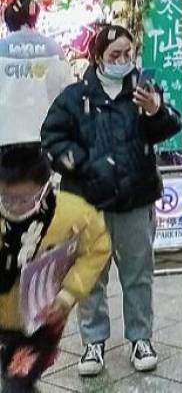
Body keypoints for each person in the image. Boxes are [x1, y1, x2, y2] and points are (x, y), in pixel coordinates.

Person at [40, 24, 182, 378]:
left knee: (138, 274)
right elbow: (52, 137)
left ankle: (140, 338)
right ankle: (93, 341)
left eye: (127, 54)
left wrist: (155, 110)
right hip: (89, 203)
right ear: (97, 57)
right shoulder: (75, 96)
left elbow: (170, 127)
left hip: (135, 199)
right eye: (114, 55)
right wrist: (84, 165)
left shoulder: (145, 91)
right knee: (90, 277)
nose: (122, 61)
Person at [0, 143, 110, 392]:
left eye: (25, 199)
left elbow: (98, 247)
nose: (15, 206)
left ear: (45, 187)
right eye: (7, 198)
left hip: (42, 318)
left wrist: (68, 294)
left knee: (17, 383)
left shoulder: (72, 213)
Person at [0, 0, 72, 148]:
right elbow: (68, 94)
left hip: (6, 137)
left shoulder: (2, 47)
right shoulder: (54, 48)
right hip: (44, 136)